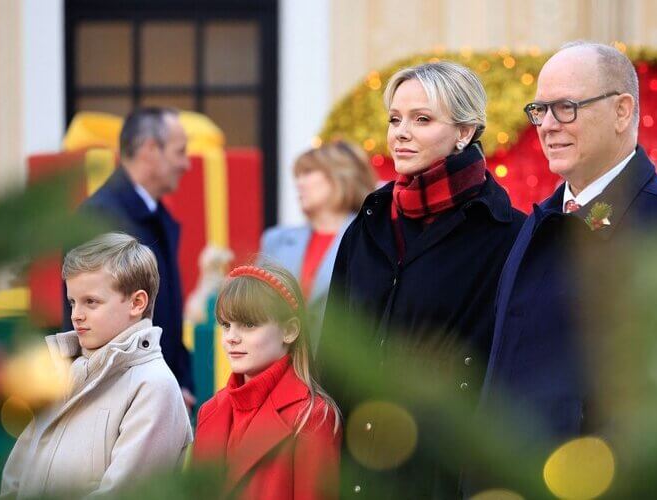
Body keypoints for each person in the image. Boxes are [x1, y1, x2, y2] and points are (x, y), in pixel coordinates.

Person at [481, 41, 657, 443]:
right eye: (539, 110)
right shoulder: (538, 223)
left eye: (566, 107)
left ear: (622, 111)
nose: (547, 125)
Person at [319, 61, 526, 498]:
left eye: (422, 119)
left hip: (444, 474)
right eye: (395, 119)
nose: (401, 132)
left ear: (465, 133)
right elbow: (334, 349)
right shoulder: (369, 224)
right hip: (356, 471)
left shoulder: (508, 236)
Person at [0, 233, 193, 498]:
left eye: (91, 302)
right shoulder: (59, 374)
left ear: (137, 303)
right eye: (72, 302)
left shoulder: (154, 387)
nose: (76, 315)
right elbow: (15, 482)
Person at [64, 107, 195, 410]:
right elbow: (84, 324)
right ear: (150, 150)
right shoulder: (98, 219)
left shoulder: (156, 215)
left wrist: (179, 381)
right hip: (124, 406)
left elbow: (165, 316)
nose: (186, 164)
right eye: (180, 152)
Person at [193, 264, 341, 500]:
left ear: (290, 330)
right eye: (226, 325)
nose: (231, 337)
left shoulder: (311, 417)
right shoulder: (210, 411)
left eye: (249, 324)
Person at [260, 141, 376, 353]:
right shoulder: (275, 240)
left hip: (342, 370)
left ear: (341, 177)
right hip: (282, 366)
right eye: (298, 175)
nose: (299, 183)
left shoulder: (371, 238)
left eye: (309, 173)